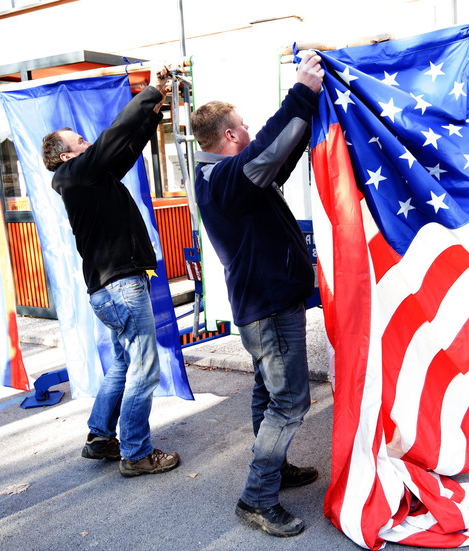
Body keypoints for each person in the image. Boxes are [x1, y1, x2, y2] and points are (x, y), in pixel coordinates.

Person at [189, 52, 324, 537]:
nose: (248, 131)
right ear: (230, 136)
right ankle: (256, 497)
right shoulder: (225, 178)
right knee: (289, 401)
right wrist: (301, 94)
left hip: (262, 305)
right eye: (242, 126)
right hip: (267, 309)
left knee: (269, 392)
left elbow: (276, 159)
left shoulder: (229, 180)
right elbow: (266, 150)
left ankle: (276, 470)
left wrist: (308, 116)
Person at [41, 65, 181, 478]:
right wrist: (151, 90)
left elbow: (124, 147)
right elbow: (113, 139)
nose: (88, 143)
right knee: (142, 367)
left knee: (123, 363)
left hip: (107, 290)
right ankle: (136, 454)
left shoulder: (88, 179)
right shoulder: (76, 174)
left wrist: (156, 106)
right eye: (80, 141)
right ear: (66, 155)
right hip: (120, 288)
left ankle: (100, 436)